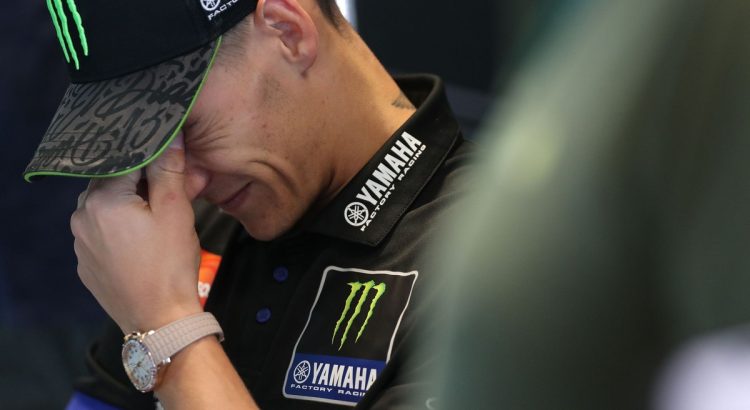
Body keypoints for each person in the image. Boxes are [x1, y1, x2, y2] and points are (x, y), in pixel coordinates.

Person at [24, 0, 471, 408]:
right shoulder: (182, 237)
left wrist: (169, 328)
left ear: (287, 32)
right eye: (147, 151)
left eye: (186, 129)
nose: (188, 185)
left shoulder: (490, 258)